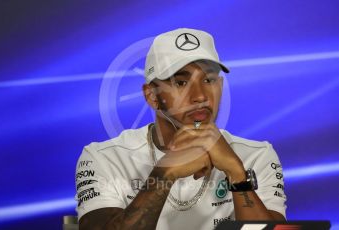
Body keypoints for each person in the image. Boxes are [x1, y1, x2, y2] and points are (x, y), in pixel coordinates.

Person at [75, 28, 286, 230]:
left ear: (220, 87)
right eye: (181, 82)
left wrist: (238, 175)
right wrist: (165, 172)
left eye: (208, 80)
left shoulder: (257, 155)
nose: (201, 96)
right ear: (152, 96)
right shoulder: (105, 158)